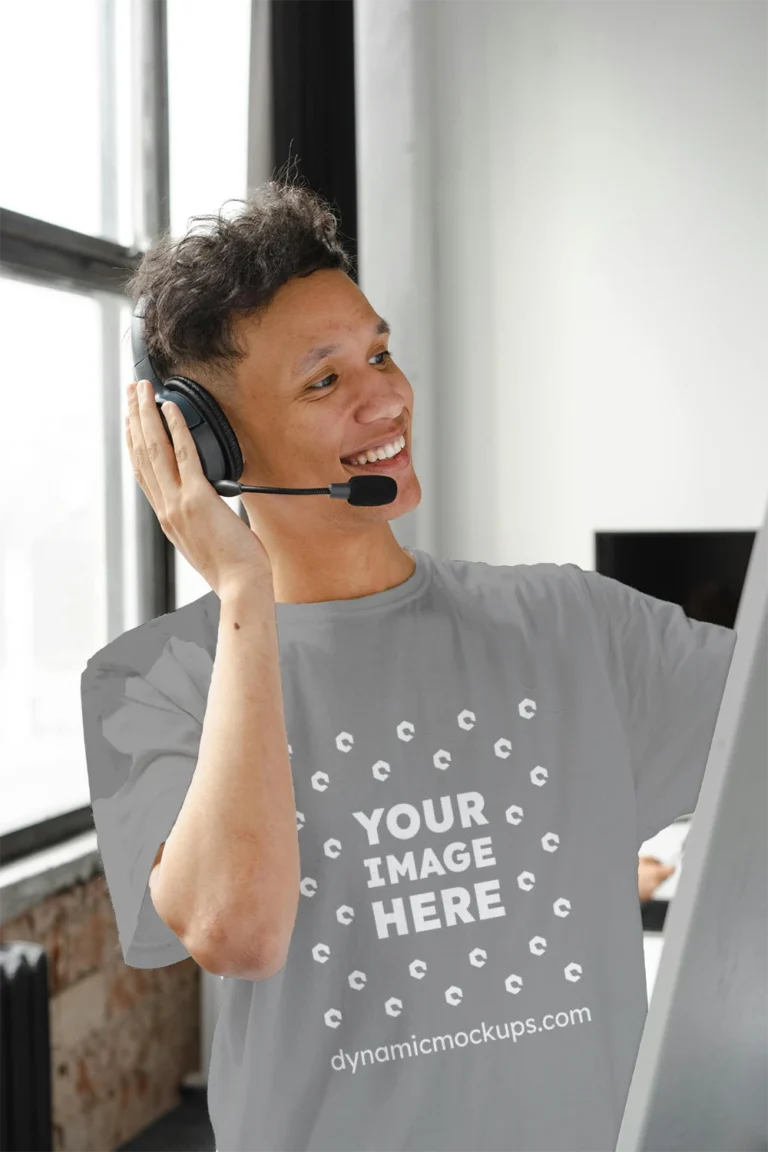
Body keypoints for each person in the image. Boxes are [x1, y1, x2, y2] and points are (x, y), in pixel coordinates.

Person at [80, 174, 737, 1152]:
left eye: (379, 351)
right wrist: (242, 592)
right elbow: (238, 928)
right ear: (211, 449)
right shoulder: (155, 683)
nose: (385, 393)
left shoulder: (574, 624)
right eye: (324, 379)